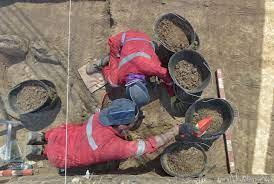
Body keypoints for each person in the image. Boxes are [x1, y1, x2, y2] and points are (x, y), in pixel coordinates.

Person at [26, 98, 186, 169]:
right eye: (134, 120)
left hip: (59, 135)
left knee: (59, 133)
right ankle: (42, 152)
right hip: (59, 156)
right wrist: (175, 130)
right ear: (123, 125)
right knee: (53, 153)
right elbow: (148, 146)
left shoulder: (99, 116)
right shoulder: (112, 147)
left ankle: (40, 137)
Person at [86, 30, 174, 107]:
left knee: (150, 48)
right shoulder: (116, 79)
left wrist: (171, 91)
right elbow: (106, 70)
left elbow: (165, 74)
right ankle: (99, 63)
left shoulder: (152, 67)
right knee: (114, 57)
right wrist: (107, 65)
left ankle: (151, 45)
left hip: (140, 39)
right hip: (126, 40)